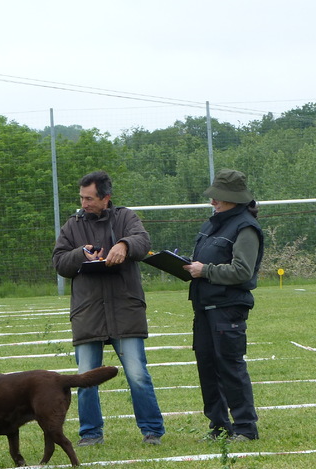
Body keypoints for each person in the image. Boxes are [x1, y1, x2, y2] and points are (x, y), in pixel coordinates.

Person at [52, 170, 165, 446]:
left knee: (138, 374)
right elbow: (58, 262)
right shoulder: (72, 225)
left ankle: (152, 431)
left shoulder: (126, 217)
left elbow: (143, 241)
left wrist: (124, 245)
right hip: (88, 313)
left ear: (106, 198)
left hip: (125, 311)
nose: (84, 203)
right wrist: (80, 254)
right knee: (85, 378)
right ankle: (90, 433)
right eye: (82, 198)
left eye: (89, 198)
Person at [184, 169, 264, 441]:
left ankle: (245, 427)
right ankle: (218, 426)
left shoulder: (245, 228)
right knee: (207, 367)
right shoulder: (212, 224)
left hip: (227, 308)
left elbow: (242, 271)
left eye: (217, 196)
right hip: (203, 308)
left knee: (230, 367)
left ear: (233, 198)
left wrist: (204, 270)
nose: (212, 201)